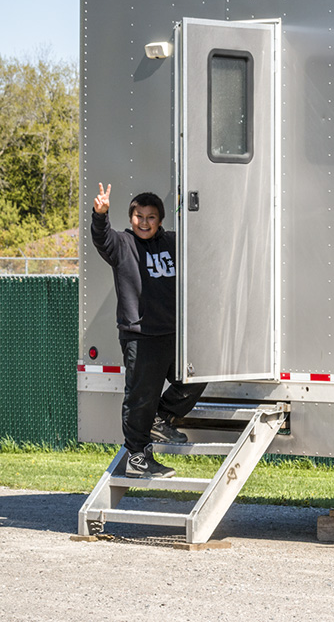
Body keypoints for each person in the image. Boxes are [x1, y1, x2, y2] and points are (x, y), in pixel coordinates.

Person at [91, 183, 206, 478]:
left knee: (200, 374)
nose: (143, 222)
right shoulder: (122, 245)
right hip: (140, 335)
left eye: (151, 217)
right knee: (140, 396)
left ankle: (161, 417)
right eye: (138, 216)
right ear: (130, 218)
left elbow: (198, 243)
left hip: (172, 334)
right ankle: (138, 457)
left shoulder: (172, 242)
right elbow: (101, 238)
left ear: (160, 220)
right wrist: (100, 214)